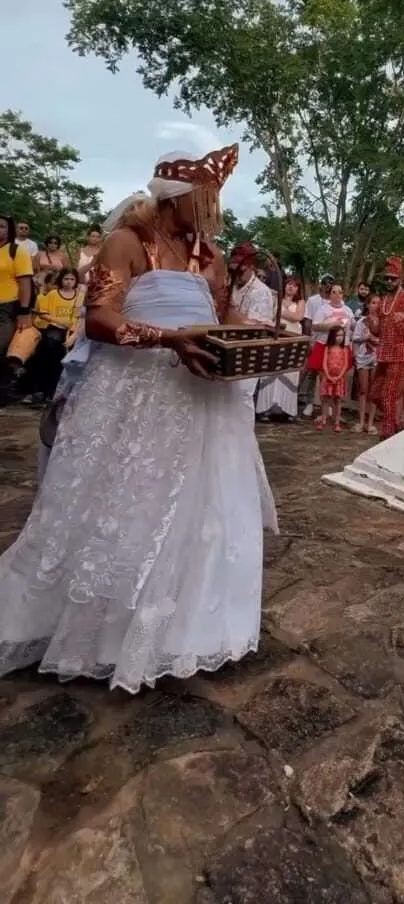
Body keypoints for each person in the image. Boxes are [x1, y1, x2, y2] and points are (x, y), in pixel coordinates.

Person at [0, 144, 278, 695]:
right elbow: (101, 319)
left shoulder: (211, 256)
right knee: (123, 500)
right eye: (204, 200)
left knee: (204, 506)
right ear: (175, 198)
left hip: (201, 395)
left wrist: (257, 331)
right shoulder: (127, 242)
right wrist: (171, 339)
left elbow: (220, 318)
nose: (211, 212)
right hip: (136, 390)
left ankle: (186, 630)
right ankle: (102, 631)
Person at [372, 257, 404, 438]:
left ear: (400, 279)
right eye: (386, 278)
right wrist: (371, 320)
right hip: (384, 353)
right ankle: (398, 424)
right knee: (375, 393)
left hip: (401, 352)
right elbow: (378, 330)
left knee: (388, 393)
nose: (389, 281)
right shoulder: (383, 301)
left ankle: (387, 432)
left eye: (393, 278)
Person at [255, 277, 305, 422]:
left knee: (289, 373)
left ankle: (287, 410)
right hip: (275, 338)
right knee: (271, 370)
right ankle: (265, 409)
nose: (291, 287)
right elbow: (269, 315)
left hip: (292, 338)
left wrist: (280, 313)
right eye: (289, 284)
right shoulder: (275, 299)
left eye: (295, 286)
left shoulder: (300, 302)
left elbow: (298, 316)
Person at [31, 268, 83, 402]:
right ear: (61, 279)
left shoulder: (79, 296)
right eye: (66, 279)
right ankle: (45, 389)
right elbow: (44, 314)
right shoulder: (53, 294)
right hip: (54, 327)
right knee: (51, 344)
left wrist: (73, 328)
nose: (69, 282)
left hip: (73, 330)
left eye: (72, 279)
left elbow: (80, 316)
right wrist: (61, 322)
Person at [0, 216, 33, 406]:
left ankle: (4, 390)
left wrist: (24, 311)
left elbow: (25, 283)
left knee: (2, 347)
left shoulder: (16, 251)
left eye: (2, 226)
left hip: (7, 307)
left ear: (9, 230)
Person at [300, 274, 334, 418]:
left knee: (327, 374)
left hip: (330, 342)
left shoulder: (335, 301)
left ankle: (326, 404)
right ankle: (308, 402)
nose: (328, 285)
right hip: (315, 340)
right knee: (311, 372)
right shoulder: (313, 300)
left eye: (331, 283)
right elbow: (307, 320)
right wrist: (309, 340)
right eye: (325, 283)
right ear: (321, 284)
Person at [305, 283, 355, 380]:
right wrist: (331, 325)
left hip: (342, 347)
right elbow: (315, 326)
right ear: (330, 295)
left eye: (340, 292)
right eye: (334, 292)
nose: (337, 295)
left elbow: (353, 325)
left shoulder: (348, 310)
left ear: (343, 295)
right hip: (325, 346)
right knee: (324, 379)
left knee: (341, 379)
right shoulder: (323, 309)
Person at [352, 294, 380, 433]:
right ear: (368, 305)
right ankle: (361, 421)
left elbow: (385, 341)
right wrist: (366, 337)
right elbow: (355, 339)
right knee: (363, 390)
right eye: (373, 302)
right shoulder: (362, 322)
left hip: (376, 357)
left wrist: (375, 340)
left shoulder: (383, 322)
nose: (375, 305)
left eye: (377, 303)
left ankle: (371, 423)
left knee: (374, 391)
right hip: (363, 357)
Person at [316, 327, 352, 432]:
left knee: (338, 400)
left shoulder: (344, 349)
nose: (339, 338)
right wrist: (328, 376)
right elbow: (324, 363)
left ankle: (337, 422)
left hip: (339, 379)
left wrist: (339, 377)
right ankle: (323, 420)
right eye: (337, 335)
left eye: (341, 335)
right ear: (332, 336)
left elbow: (345, 365)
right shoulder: (328, 348)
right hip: (328, 378)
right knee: (325, 400)